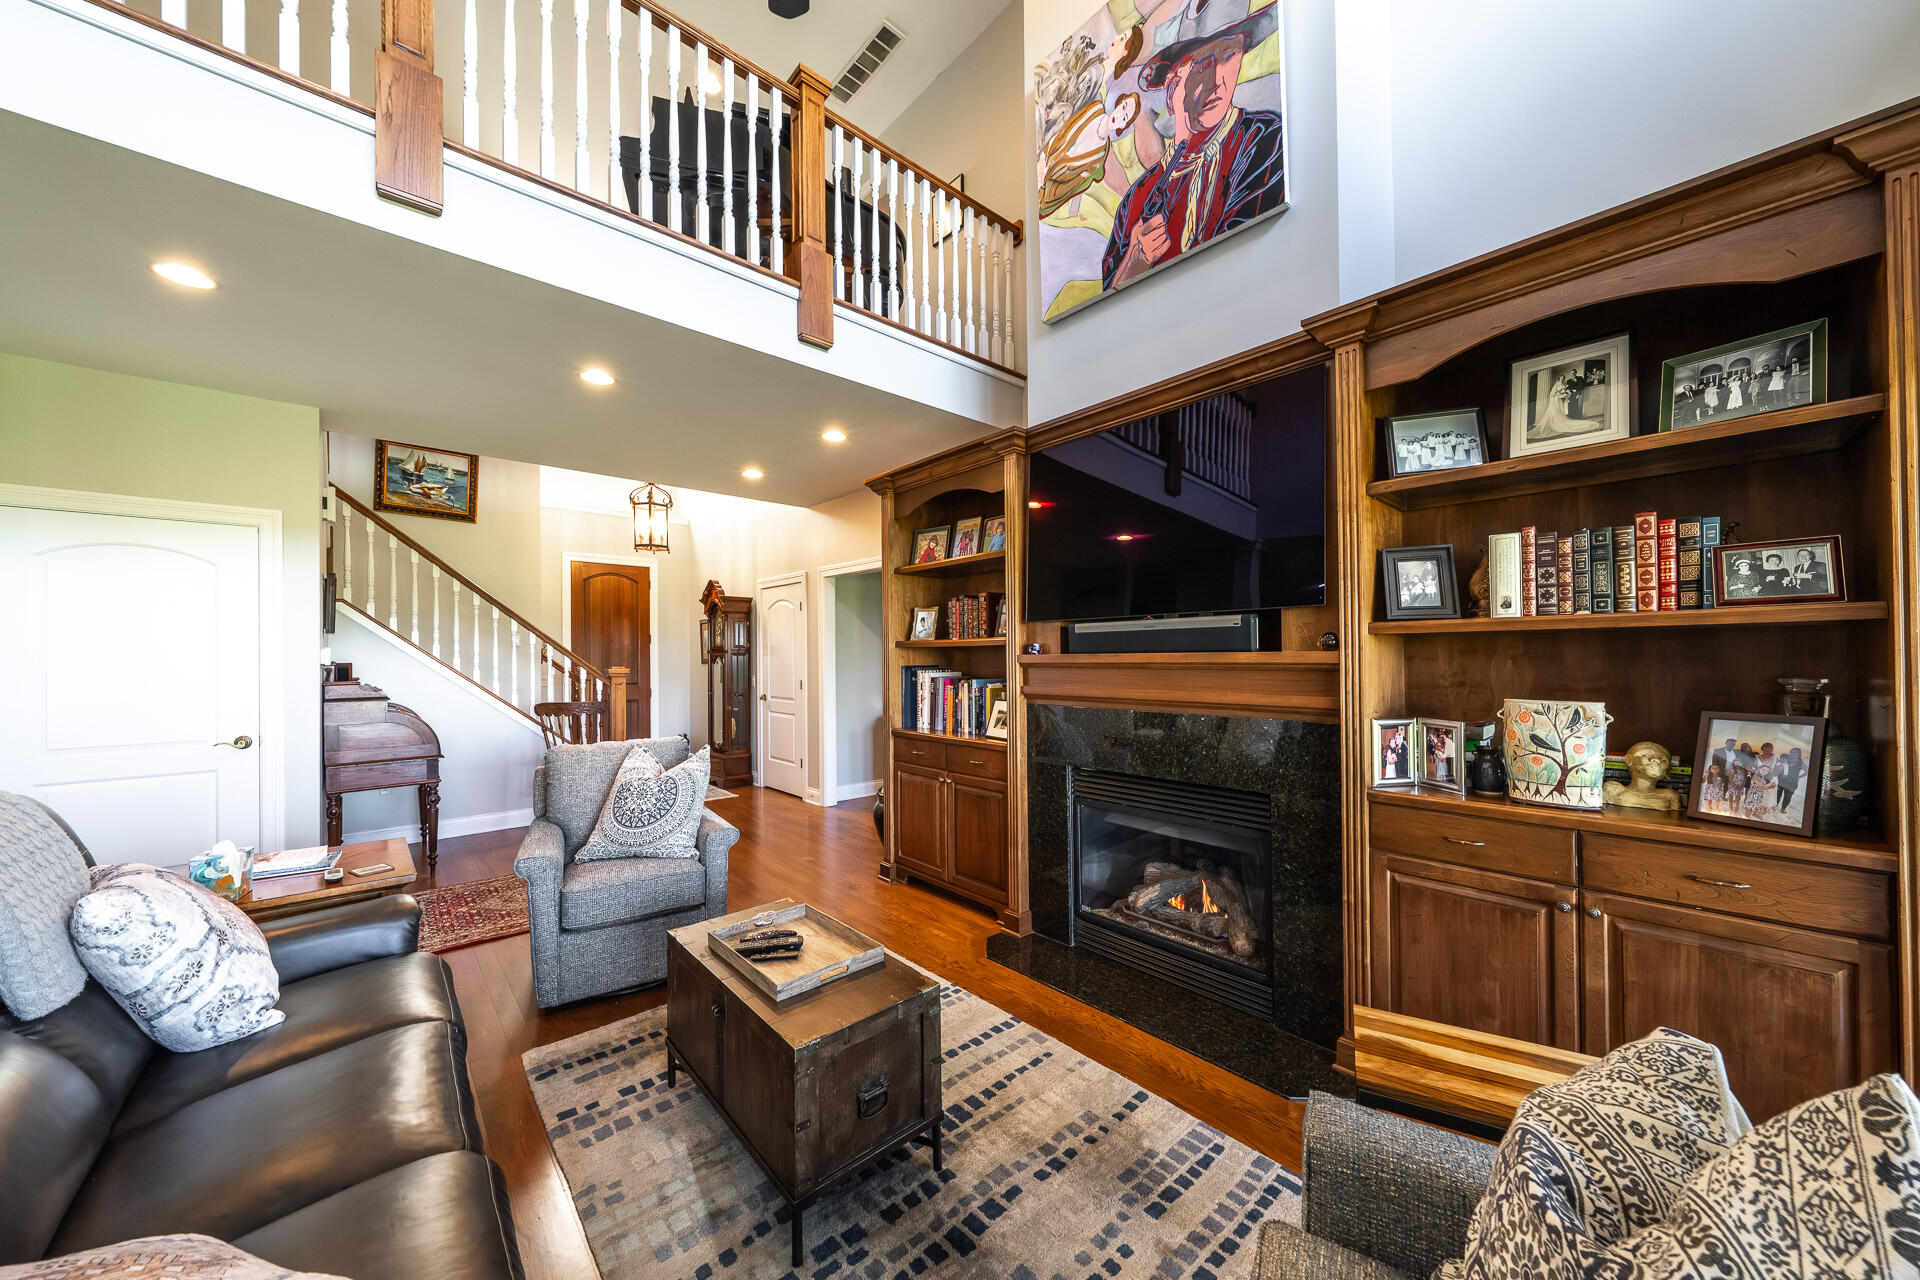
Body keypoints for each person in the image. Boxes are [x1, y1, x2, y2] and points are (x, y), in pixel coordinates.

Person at [1101, 4, 1285, 290]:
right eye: (1200, 66)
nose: (1216, 82)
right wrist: (1132, 265)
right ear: (1171, 88)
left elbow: (1241, 266)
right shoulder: (1135, 200)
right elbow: (1109, 303)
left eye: (1228, 55)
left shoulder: (1265, 139)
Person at [1038, 93, 1141, 217]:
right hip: (1040, 152)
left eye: (1125, 118)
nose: (1119, 116)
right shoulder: (1094, 109)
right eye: (1123, 107)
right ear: (1119, 103)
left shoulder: (1096, 159)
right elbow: (1061, 126)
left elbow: (1065, 188)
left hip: (1042, 185)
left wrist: (1042, 183)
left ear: (1123, 125)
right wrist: (1043, 156)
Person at [1775, 746, 1806, 813]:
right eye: (1792, 752)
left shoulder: (1800, 763)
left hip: (1792, 782)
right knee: (1777, 794)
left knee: (1788, 796)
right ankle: (1775, 805)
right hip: (1781, 780)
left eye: (1796, 752)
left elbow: (1807, 771)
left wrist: (1799, 777)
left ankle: (1783, 808)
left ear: (1799, 754)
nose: (1793, 753)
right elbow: (1778, 764)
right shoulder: (1786, 759)